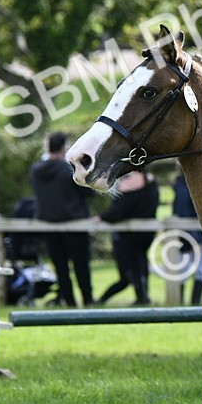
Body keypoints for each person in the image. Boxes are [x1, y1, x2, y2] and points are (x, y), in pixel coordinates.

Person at [29, 131, 94, 307]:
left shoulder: (36, 170)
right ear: (64, 148)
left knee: (61, 268)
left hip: (49, 225)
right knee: (81, 266)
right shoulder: (68, 169)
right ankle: (87, 300)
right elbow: (89, 192)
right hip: (75, 224)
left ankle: (69, 301)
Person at [98, 171, 159, 306]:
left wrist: (102, 217)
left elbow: (118, 211)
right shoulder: (151, 181)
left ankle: (141, 298)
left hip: (129, 235)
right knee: (141, 264)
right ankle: (143, 296)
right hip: (147, 232)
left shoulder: (131, 183)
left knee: (132, 270)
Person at [173, 171, 202, 306]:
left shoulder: (187, 186)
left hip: (195, 236)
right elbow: (183, 215)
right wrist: (196, 240)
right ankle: (181, 302)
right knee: (185, 272)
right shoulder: (183, 189)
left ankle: (193, 302)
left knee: (200, 271)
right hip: (188, 237)